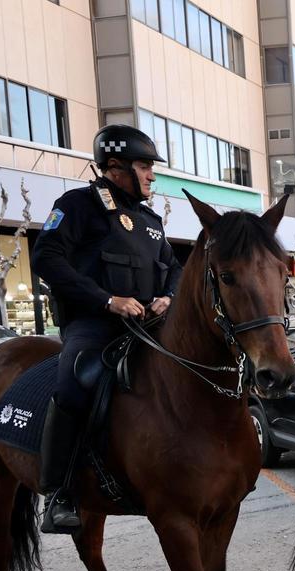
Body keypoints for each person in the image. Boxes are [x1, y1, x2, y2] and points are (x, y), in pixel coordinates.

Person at [31, 124, 183, 534]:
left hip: (148, 329)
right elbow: (46, 257)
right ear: (116, 166)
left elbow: (175, 269)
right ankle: (59, 491)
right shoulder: (78, 205)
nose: (152, 174)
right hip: (95, 326)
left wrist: (169, 295)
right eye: (145, 165)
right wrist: (106, 300)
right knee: (74, 379)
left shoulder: (150, 220)